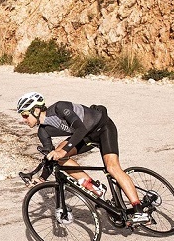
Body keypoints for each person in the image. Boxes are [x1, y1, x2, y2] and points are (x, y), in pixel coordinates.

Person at [17, 91, 152, 225]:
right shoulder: (43, 131)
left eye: (25, 115)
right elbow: (50, 157)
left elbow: (80, 129)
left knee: (112, 168)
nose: (23, 120)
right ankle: (93, 186)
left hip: (102, 128)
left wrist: (63, 151)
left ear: (36, 110)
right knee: (56, 155)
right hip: (86, 137)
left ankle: (139, 211)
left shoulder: (60, 107)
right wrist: (41, 178)